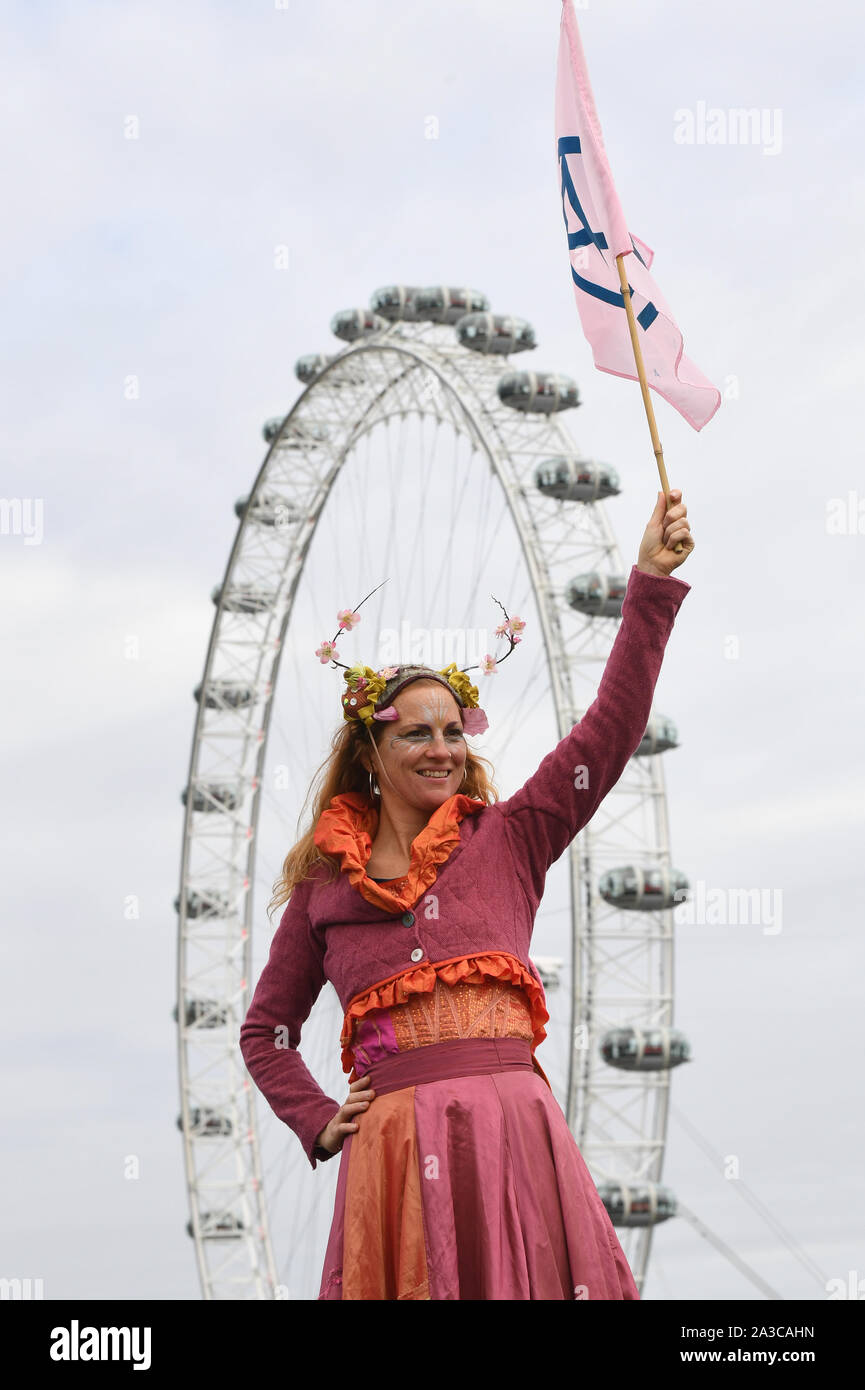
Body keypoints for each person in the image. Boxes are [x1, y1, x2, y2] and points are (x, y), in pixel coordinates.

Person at [239, 488, 694, 1300]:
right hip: (391, 1151)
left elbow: (610, 727)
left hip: (511, 1133)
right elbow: (266, 1032)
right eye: (416, 732)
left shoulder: (512, 836)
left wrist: (649, 584)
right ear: (371, 751)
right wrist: (316, 1118)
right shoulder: (321, 883)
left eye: (453, 730)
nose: (441, 748)